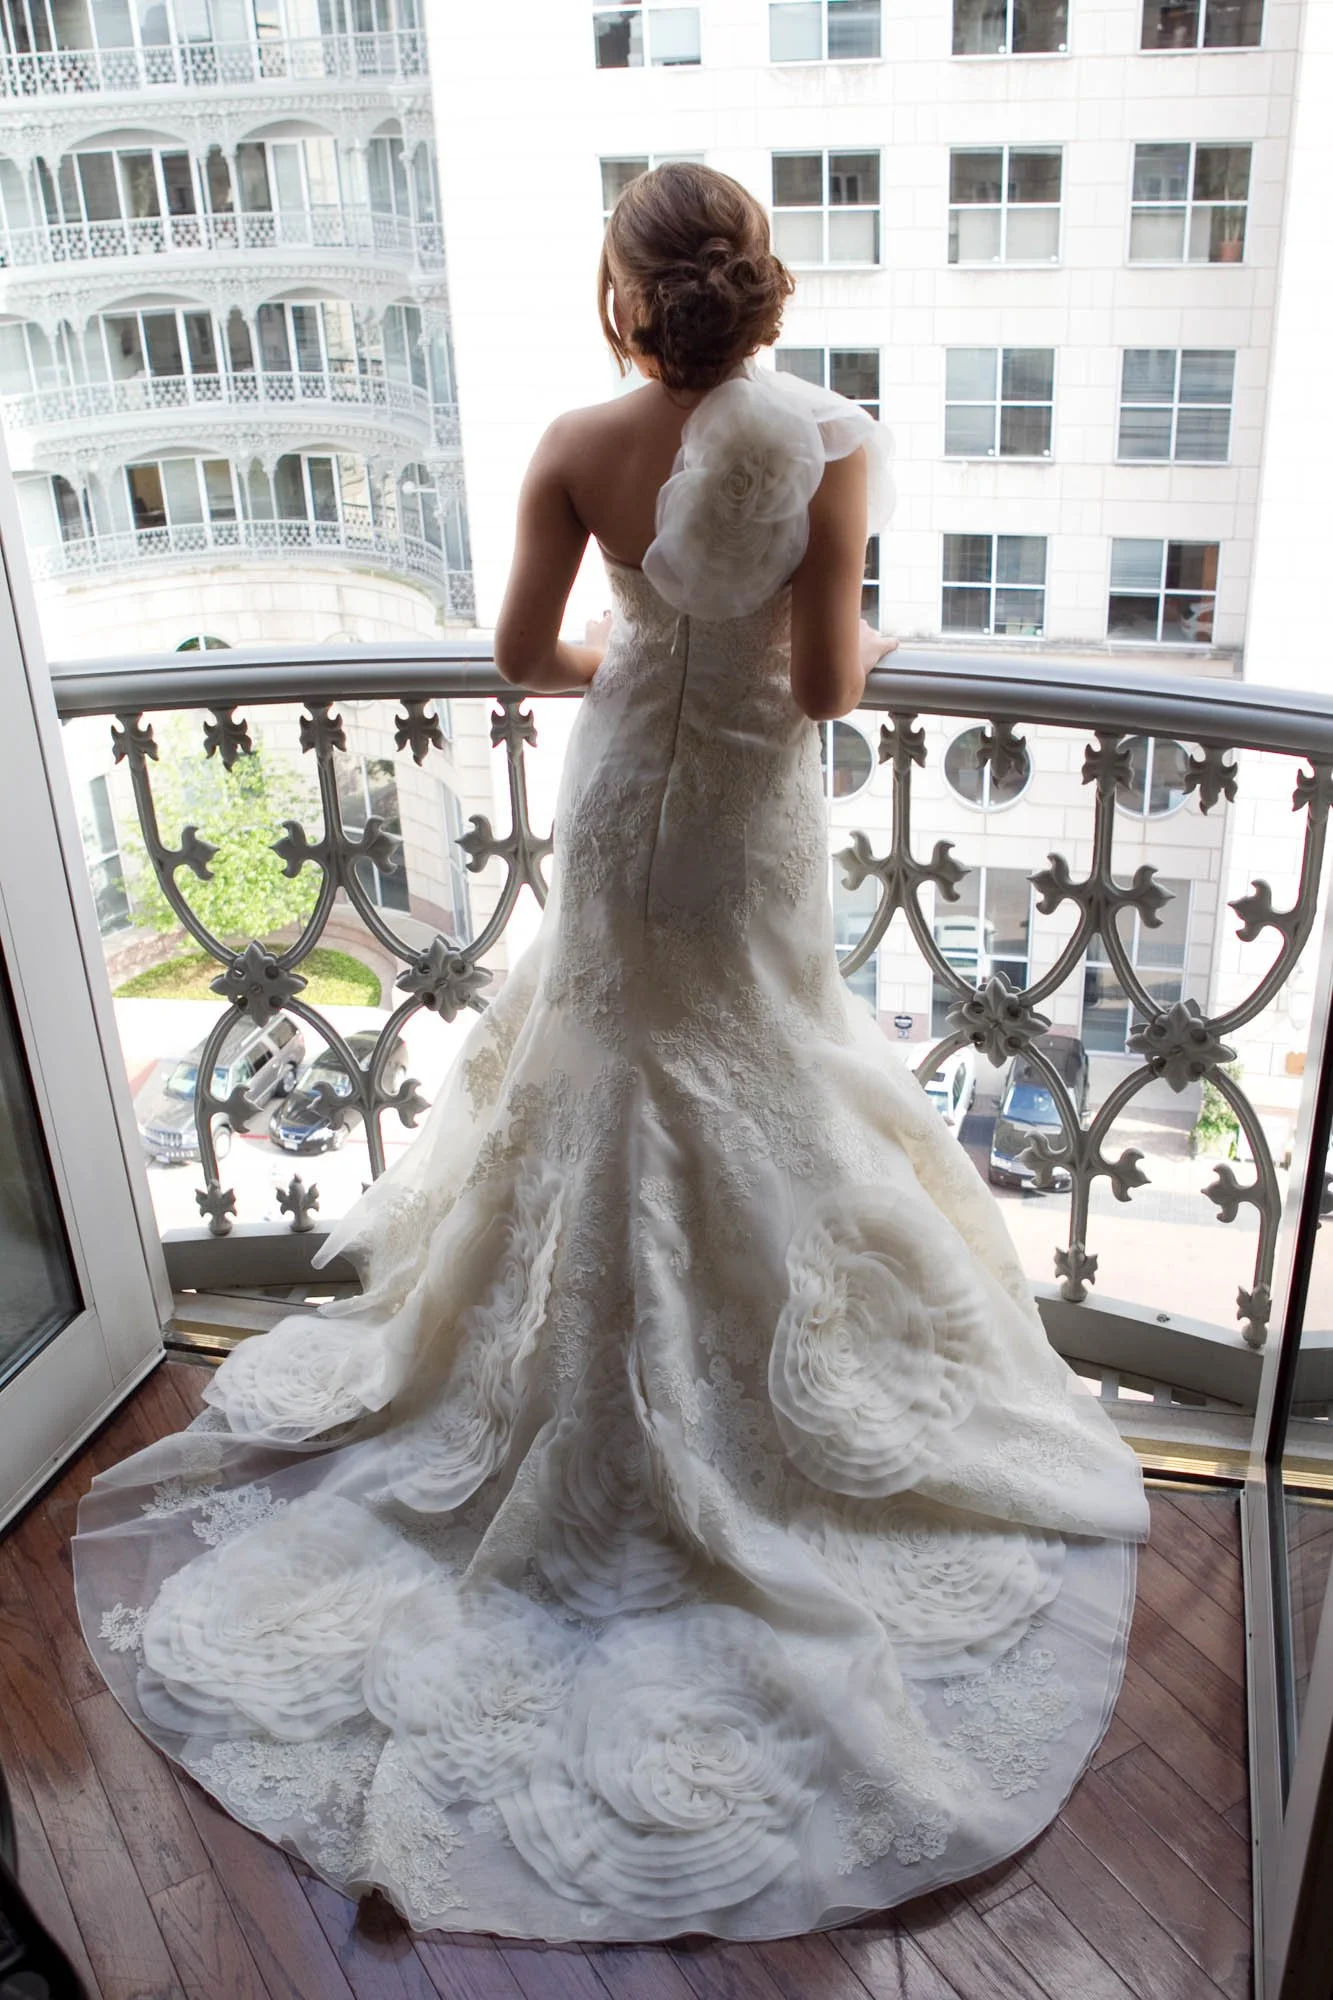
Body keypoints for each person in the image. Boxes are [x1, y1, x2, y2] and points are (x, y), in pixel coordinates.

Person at [73, 162, 1148, 1946]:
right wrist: (869, 637)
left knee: (606, 1072)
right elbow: (823, 687)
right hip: (741, 819)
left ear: (625, 294)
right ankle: (748, 1393)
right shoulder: (822, 439)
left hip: (622, 787)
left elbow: (519, 653)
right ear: (757, 289)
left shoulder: (574, 439)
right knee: (761, 1071)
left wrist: (641, 653)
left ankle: (569, 1382)